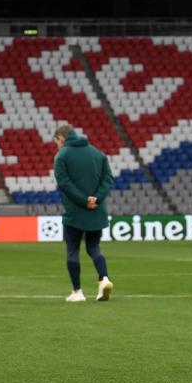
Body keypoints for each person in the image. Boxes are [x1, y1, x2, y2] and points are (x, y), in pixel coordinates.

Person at [53, 125, 114, 302]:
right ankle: (104, 279)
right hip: (97, 210)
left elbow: (64, 183)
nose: (56, 145)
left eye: (56, 141)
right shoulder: (98, 153)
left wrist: (83, 200)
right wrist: (97, 198)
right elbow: (108, 179)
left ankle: (77, 292)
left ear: (61, 138)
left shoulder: (62, 156)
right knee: (94, 248)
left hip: (75, 212)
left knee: (73, 250)